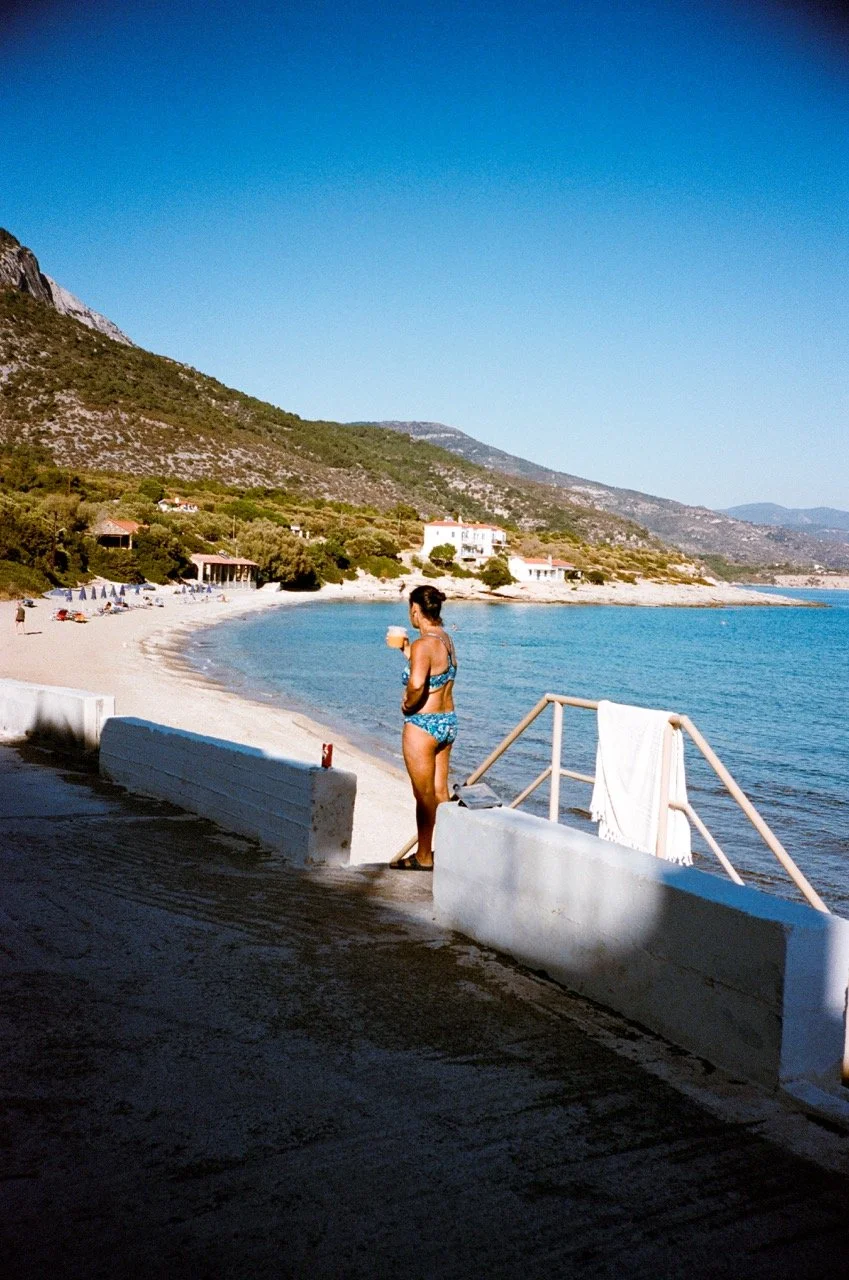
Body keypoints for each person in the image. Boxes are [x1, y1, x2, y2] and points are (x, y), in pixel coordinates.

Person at [394, 584, 458, 870]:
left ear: (415, 610)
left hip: (422, 724)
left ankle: (423, 856)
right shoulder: (445, 640)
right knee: (440, 793)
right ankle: (445, 851)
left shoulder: (423, 645)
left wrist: (408, 703)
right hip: (447, 722)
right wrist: (408, 651)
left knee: (423, 796)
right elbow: (437, 672)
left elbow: (419, 684)